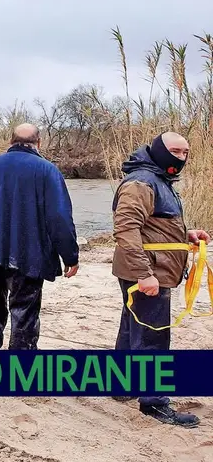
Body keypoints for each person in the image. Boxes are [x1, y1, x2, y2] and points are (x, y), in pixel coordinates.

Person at [0, 123, 80, 350]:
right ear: (39, 143)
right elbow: (59, 217)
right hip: (30, 256)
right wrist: (70, 255)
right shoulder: (48, 171)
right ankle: (19, 371)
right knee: (24, 314)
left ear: (10, 142)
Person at [111, 131, 210, 427]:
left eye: (185, 153)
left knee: (133, 329)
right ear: (158, 151)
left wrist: (186, 234)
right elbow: (126, 228)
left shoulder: (158, 180)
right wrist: (145, 274)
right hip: (148, 272)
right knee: (153, 337)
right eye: (176, 151)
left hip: (150, 270)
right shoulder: (141, 182)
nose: (181, 158)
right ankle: (153, 403)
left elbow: (155, 224)